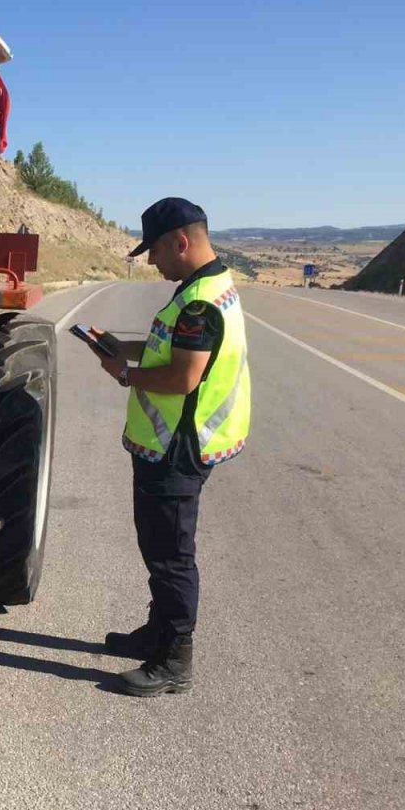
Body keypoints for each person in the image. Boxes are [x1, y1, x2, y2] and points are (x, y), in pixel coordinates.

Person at [86, 197, 251, 696]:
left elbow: (183, 376)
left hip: (178, 447)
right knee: (158, 547)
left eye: (155, 251)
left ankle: (174, 659)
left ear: (180, 241)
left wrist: (125, 374)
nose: (153, 262)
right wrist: (122, 346)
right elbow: (171, 348)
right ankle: (158, 632)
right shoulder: (205, 289)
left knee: (171, 555)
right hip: (175, 446)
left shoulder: (200, 302)